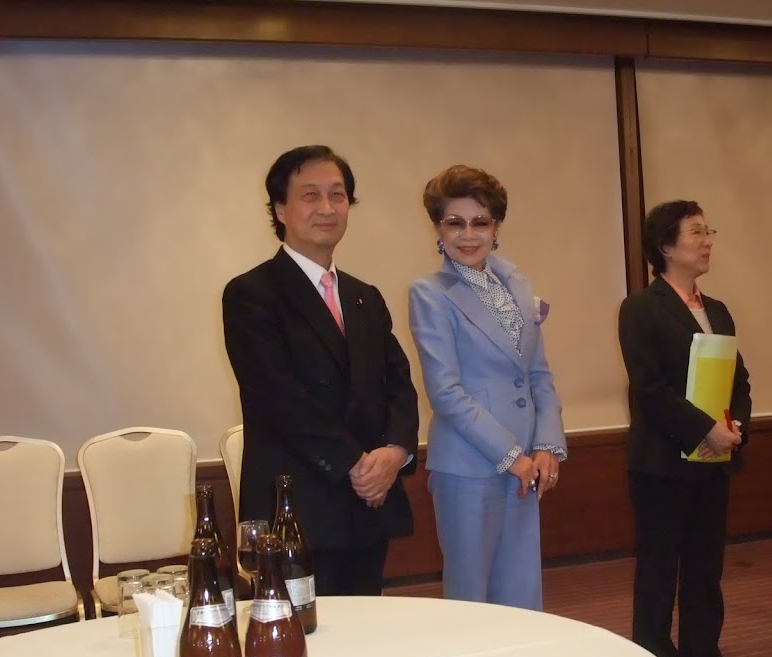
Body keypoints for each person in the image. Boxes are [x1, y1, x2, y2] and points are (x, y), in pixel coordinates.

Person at [222, 145, 419, 596]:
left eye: (338, 195)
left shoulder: (364, 296)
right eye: (310, 195)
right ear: (280, 209)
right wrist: (355, 464)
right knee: (298, 632)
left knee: (367, 627)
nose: (327, 208)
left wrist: (395, 452)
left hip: (368, 505)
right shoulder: (252, 293)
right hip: (297, 508)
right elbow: (278, 398)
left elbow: (398, 383)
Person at [408, 165, 566, 611]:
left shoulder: (517, 283)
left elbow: (538, 375)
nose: (468, 235)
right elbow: (446, 392)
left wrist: (547, 446)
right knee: (471, 603)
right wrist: (511, 455)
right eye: (454, 223)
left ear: (496, 227)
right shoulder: (429, 293)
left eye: (480, 222)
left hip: (527, 465)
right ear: (438, 229)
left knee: (521, 595)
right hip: (468, 466)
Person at [617, 199, 753, 657]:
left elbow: (739, 379)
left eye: (708, 231)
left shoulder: (717, 310)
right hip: (662, 463)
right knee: (659, 569)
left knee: (705, 568)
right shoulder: (641, 308)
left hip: (713, 461)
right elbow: (650, 390)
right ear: (666, 246)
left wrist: (733, 427)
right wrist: (702, 431)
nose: (706, 241)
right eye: (696, 232)